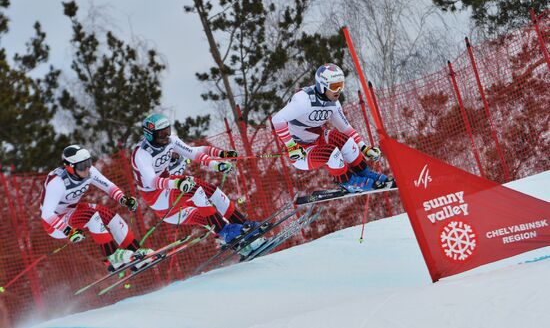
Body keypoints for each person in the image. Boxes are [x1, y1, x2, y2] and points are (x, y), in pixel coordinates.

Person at [131, 113, 262, 254]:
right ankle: (226, 232)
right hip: (156, 196)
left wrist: (215, 164)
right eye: (161, 134)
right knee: (195, 191)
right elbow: (152, 182)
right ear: (150, 135)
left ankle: (242, 225)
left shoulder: (171, 141)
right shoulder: (142, 154)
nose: (166, 137)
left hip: (174, 187)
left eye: (167, 131)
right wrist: (177, 184)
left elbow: (194, 153)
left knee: (212, 191)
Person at [272, 63, 395, 193]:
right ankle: (347, 182)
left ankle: (364, 173)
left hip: (317, 139)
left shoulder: (333, 103)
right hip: (301, 152)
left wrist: (364, 148)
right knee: (332, 153)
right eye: (335, 86)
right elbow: (277, 119)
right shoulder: (303, 101)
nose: (339, 90)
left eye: (341, 85)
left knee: (345, 141)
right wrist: (291, 146)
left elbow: (346, 127)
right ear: (322, 86)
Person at [40, 145, 153, 272]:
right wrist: (68, 231)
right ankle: (113, 256)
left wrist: (123, 199)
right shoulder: (57, 182)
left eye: (88, 162)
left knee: (110, 216)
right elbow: (47, 215)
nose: (87, 168)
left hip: (72, 211)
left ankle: (136, 253)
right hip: (55, 223)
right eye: (82, 166)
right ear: (70, 167)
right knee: (92, 216)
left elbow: (108, 186)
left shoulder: (88, 172)